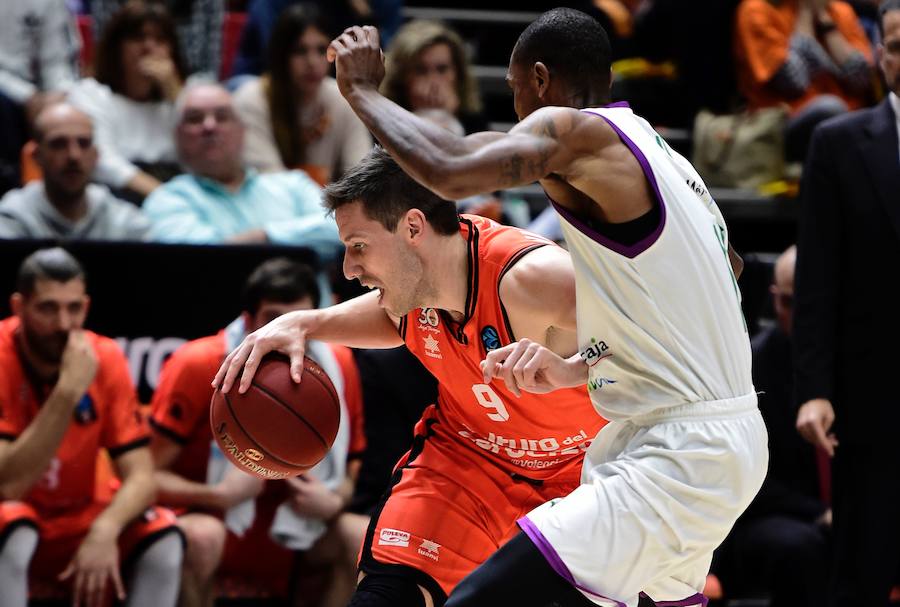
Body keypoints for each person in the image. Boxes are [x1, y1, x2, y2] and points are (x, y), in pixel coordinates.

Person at [321, 8, 767, 607]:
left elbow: (451, 169)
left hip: (678, 452)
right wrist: (582, 366)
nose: (513, 112)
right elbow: (726, 273)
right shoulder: (670, 161)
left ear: (538, 80)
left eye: (510, 90)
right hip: (701, 441)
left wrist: (361, 91)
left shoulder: (578, 132)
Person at [214, 147, 606, 607]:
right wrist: (305, 322)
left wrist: (572, 370)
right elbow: (394, 319)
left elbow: (666, 339)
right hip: (468, 463)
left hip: (582, 475)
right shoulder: (416, 286)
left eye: (359, 246)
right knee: (386, 596)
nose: (348, 268)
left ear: (413, 228)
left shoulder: (531, 279)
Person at [150, 257, 365, 607]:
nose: (286, 334)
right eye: (274, 319)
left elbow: (353, 466)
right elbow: (148, 477)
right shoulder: (198, 363)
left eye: (300, 322)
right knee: (202, 538)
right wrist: (216, 496)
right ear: (248, 321)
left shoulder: (338, 366)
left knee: (359, 536)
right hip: (216, 525)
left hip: (295, 532)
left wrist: (334, 500)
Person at [0, 247, 183, 607]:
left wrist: (107, 527)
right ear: (19, 307)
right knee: (13, 522)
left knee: (164, 536)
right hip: (15, 515)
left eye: (74, 308)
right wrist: (67, 391)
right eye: (48, 308)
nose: (65, 325)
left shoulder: (105, 355)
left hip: (78, 518)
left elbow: (142, 478)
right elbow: (8, 486)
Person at [793, 1, 900, 603]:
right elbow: (818, 277)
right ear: (880, 53)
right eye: (896, 43)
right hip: (873, 399)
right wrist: (813, 387)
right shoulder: (839, 143)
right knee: (863, 570)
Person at [714, 245, 830, 607]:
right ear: (775, 299)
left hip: (850, 506)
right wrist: (819, 513)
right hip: (770, 514)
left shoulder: (867, 361)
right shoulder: (749, 369)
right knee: (800, 547)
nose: (800, 316)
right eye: (789, 303)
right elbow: (745, 477)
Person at [142, 81, 340, 259]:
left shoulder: (293, 185)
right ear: (178, 136)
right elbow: (202, 261)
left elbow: (341, 231)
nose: (209, 126)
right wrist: (292, 238)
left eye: (222, 116)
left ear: (242, 131)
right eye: (195, 119)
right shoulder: (165, 200)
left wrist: (264, 236)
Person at [233, 3, 372, 185]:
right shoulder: (251, 101)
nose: (312, 62)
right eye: (300, 51)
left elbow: (362, 182)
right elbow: (271, 188)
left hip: (332, 210)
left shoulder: (344, 98)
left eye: (322, 50)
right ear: (281, 55)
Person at [67, 1, 187, 200]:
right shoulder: (90, 94)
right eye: (138, 38)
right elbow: (103, 162)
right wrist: (165, 198)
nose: (149, 47)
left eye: (160, 40)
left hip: (177, 185)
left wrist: (175, 94)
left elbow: (203, 158)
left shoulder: (187, 97)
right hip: (119, 194)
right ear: (117, 47)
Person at [734, 0, 874, 161]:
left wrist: (827, 24)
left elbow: (863, 80)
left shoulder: (840, 10)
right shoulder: (758, 10)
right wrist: (805, 16)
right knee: (830, 108)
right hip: (783, 123)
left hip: (850, 121)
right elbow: (794, 81)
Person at [0, 103, 150, 240]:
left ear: (96, 155)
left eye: (84, 143)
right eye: (59, 144)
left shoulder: (122, 220)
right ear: (37, 156)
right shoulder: (12, 217)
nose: (74, 156)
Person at [0, 0, 80, 194]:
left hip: (42, 95)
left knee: (81, 104)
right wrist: (27, 96)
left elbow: (59, 62)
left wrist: (58, 94)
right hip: (8, 94)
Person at [381, 20, 488, 135]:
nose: (433, 82)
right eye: (421, 70)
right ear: (401, 77)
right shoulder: (380, 119)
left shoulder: (475, 120)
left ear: (458, 73)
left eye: (442, 69)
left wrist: (447, 118)